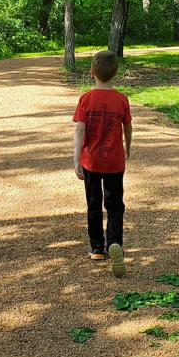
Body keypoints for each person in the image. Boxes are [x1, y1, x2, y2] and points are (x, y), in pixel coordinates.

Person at [72, 50, 133, 278]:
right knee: (115, 205)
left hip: (91, 162)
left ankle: (97, 248)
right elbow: (126, 127)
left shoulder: (86, 99)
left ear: (92, 72)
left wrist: (76, 158)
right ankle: (115, 242)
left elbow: (80, 130)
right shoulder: (121, 99)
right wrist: (128, 145)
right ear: (116, 73)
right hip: (115, 163)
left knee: (94, 203)